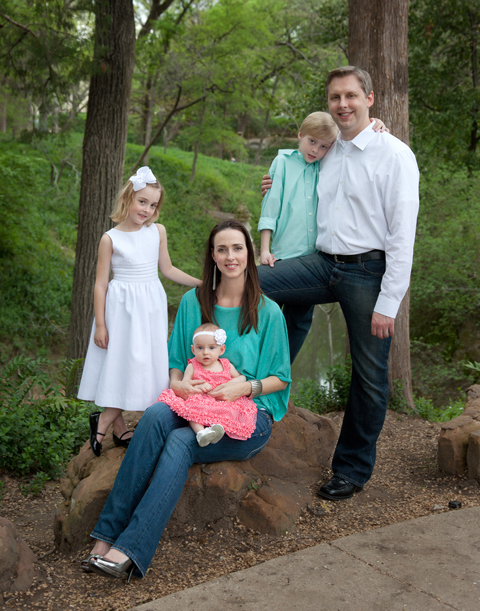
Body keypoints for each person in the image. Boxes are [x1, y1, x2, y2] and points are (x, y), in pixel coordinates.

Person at [81, 219, 291, 580]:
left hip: (246, 416)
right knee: (154, 416)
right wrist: (178, 385)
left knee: (181, 440)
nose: (230, 256)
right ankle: (104, 538)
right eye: (222, 249)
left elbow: (281, 378)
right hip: (195, 403)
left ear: (249, 253)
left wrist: (244, 388)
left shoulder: (268, 311)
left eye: (237, 248)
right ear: (212, 255)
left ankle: (128, 550)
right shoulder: (195, 302)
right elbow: (176, 361)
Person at [258, 66, 420, 501]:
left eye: (351, 95)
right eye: (335, 97)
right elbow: (297, 165)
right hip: (319, 263)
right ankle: (239, 392)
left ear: (370, 98)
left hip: (368, 273)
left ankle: (351, 469)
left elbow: (403, 236)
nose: (343, 104)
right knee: (246, 283)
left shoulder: (394, 155)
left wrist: (389, 301)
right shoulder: (328, 149)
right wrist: (274, 181)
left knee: (369, 375)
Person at [78, 166, 201, 457]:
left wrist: (201, 282)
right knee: (122, 362)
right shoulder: (110, 238)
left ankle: (113, 423)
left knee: (145, 363)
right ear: (127, 198)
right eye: (142, 201)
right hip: (121, 309)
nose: (146, 209)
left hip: (150, 306)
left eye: (153, 205)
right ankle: (106, 420)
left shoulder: (157, 232)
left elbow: (167, 269)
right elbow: (100, 284)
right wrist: (100, 324)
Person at [258, 112, 387, 362]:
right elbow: (270, 208)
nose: (316, 150)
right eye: (312, 142)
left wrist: (375, 125)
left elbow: (350, 143)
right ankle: (252, 369)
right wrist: (265, 249)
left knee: (299, 321)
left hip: (312, 261)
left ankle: (280, 374)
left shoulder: (326, 165)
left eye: (324, 146)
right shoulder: (282, 162)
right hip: (282, 255)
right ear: (300, 135)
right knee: (268, 316)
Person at [158, 323, 258, 446]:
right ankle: (201, 433)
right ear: (193, 350)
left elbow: (241, 377)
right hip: (201, 399)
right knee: (192, 406)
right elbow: (185, 385)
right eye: (200, 348)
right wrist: (198, 387)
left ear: (221, 350)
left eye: (211, 348)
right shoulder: (193, 365)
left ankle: (216, 428)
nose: (205, 352)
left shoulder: (226, 365)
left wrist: (232, 382)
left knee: (228, 409)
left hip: (221, 399)